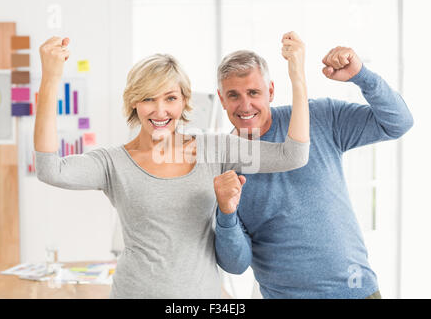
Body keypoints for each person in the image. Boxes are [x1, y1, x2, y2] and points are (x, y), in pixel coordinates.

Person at [34, 35, 310, 298]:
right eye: (148, 99)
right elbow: (50, 169)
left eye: (170, 98)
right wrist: (50, 79)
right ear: (133, 102)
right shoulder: (111, 163)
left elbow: (293, 155)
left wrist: (297, 76)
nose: (160, 111)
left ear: (184, 101)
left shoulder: (215, 149)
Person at [214, 31, 414, 299]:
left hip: (357, 292)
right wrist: (226, 214)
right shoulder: (222, 167)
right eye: (234, 95)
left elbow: (398, 122)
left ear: (270, 91)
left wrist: (361, 75)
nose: (245, 104)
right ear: (221, 98)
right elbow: (236, 263)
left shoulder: (320, 117)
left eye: (253, 92)